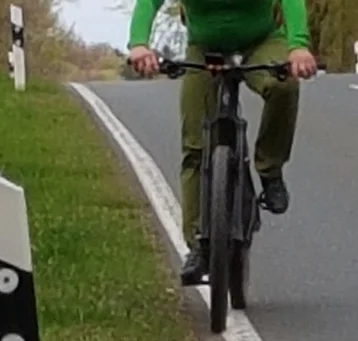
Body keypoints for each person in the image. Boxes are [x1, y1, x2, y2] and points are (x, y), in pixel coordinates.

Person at [127, 0, 318, 286]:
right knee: (195, 148)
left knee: (283, 86)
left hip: (260, 42)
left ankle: (270, 168)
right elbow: (149, 3)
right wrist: (139, 43)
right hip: (206, 50)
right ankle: (198, 246)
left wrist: (298, 46)